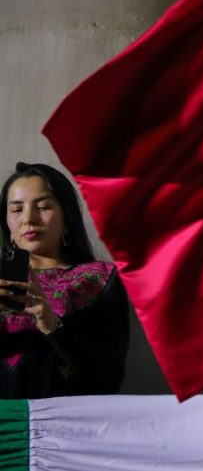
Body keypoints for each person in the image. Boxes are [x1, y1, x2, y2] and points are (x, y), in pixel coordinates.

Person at [0, 162, 129, 398]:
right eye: (16, 209)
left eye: (43, 207)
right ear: (7, 225)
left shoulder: (98, 278)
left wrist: (53, 326)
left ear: (67, 220)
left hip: (69, 427)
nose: (29, 219)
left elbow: (111, 376)